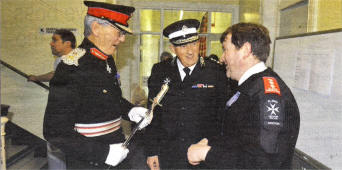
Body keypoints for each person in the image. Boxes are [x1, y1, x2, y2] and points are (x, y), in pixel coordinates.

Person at [43, 1, 152, 169]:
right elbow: (54, 131)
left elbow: (109, 97)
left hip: (118, 148)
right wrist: (103, 153)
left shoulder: (106, 59)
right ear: (96, 28)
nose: (122, 39)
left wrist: (130, 110)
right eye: (119, 32)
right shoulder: (71, 67)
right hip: (89, 160)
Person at [187, 23, 300, 169]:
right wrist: (210, 142)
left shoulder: (267, 96)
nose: (222, 58)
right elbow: (238, 136)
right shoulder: (248, 87)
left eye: (225, 50)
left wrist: (207, 153)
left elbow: (263, 163)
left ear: (246, 50)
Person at [144, 19, 228, 169]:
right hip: (169, 153)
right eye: (183, 46)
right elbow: (152, 114)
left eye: (194, 44)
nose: (190, 51)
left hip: (203, 154)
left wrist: (211, 143)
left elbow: (223, 116)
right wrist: (151, 152)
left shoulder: (215, 71)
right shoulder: (160, 71)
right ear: (172, 48)